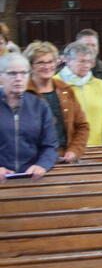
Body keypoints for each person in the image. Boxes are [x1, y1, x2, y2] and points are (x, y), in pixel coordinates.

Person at [25, 41, 89, 164]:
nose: (47, 66)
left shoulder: (65, 89)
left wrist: (74, 150)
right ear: (31, 65)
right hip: (33, 162)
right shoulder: (24, 92)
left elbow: (82, 126)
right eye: (41, 62)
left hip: (64, 158)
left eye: (50, 61)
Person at [0, 53, 57, 181]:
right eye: (12, 73)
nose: (19, 78)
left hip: (30, 178)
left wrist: (42, 165)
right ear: (1, 75)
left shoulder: (39, 105)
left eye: (24, 73)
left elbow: (50, 145)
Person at [57, 42, 102, 147]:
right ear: (68, 61)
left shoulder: (99, 84)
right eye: (82, 61)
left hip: (97, 146)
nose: (87, 65)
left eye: (89, 61)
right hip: (67, 148)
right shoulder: (56, 83)